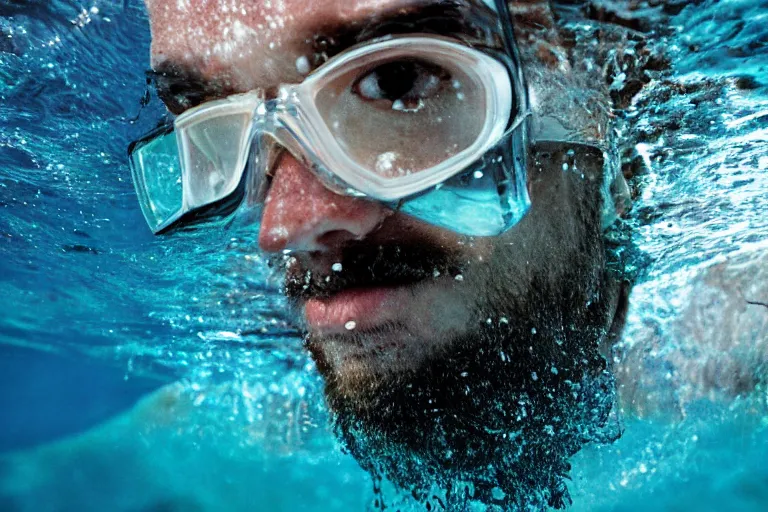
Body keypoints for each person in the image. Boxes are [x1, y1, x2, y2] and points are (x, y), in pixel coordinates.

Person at [131, 0, 632, 509]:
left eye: (396, 81)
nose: (283, 229)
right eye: (196, 109)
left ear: (601, 68)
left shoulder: (710, 337)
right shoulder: (224, 421)